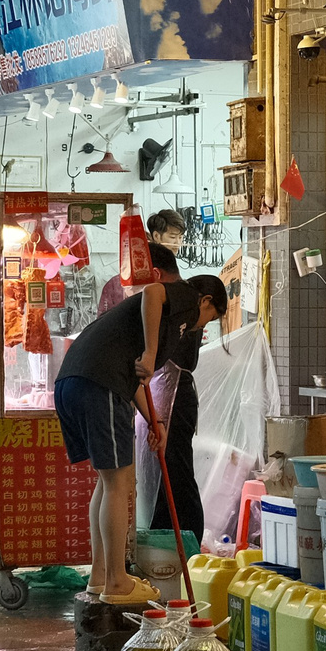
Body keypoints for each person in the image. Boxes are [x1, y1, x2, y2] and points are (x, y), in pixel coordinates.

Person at [54, 275, 226, 604]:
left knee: (108, 482)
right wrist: (150, 353)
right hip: (100, 383)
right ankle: (117, 580)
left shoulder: (160, 324)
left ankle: (101, 575)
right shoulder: (187, 298)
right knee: (119, 483)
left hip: (75, 381)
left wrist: (154, 421)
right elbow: (153, 292)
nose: (202, 326)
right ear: (206, 301)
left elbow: (134, 378)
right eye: (210, 318)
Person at [141, 209, 204, 541]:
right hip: (154, 396)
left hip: (175, 398)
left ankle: (188, 540)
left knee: (176, 471)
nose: (177, 242)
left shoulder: (180, 295)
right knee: (156, 474)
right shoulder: (155, 291)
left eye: (180, 237)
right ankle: (163, 538)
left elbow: (182, 358)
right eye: (172, 236)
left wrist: (150, 354)